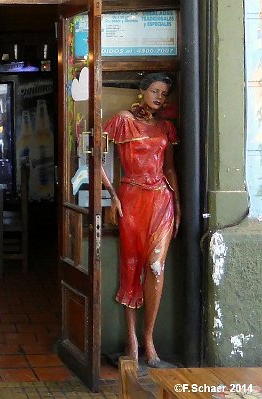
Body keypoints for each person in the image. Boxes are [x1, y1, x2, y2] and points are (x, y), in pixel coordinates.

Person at [100, 73, 179, 369]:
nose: (160, 97)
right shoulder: (123, 119)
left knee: (156, 268)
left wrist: (178, 203)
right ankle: (131, 338)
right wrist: (112, 195)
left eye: (164, 93)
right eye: (156, 91)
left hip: (162, 199)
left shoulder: (165, 127)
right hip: (131, 198)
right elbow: (96, 157)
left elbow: (170, 169)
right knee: (131, 265)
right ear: (142, 90)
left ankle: (149, 339)